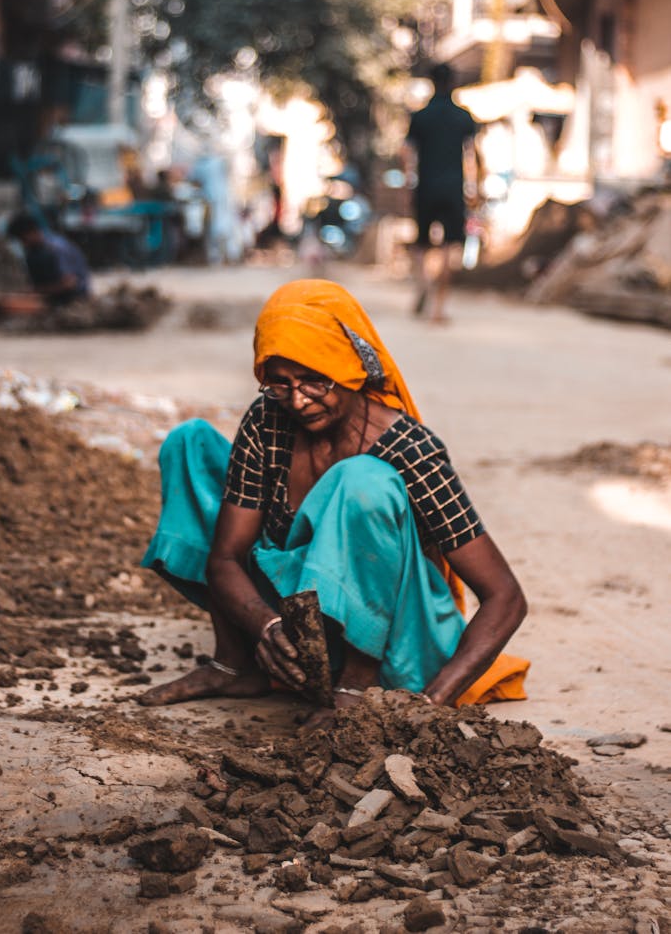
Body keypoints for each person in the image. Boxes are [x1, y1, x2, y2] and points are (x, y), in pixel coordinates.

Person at [139, 280, 528, 717]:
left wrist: (432, 703)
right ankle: (235, 664)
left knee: (361, 480)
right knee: (190, 443)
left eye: (314, 381)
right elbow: (225, 557)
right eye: (280, 383)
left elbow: (506, 597)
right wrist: (265, 626)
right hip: (297, 630)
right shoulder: (268, 421)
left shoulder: (410, 450)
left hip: (392, 639)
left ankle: (355, 688)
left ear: (351, 369)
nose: (298, 400)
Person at [402, 62, 481, 324]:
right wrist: (474, 186)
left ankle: (423, 283)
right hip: (453, 188)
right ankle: (438, 308)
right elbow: (471, 155)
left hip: (425, 186)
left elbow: (407, 152)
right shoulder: (463, 117)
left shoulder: (420, 116)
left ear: (432, 83)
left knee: (421, 244)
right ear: (453, 83)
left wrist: (409, 183)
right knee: (450, 247)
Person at [6, 212, 90, 305]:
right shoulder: (34, 251)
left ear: (31, 233)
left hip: (74, 298)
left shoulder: (56, 248)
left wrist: (36, 291)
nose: (23, 244)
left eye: (23, 240)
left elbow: (70, 283)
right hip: (53, 295)